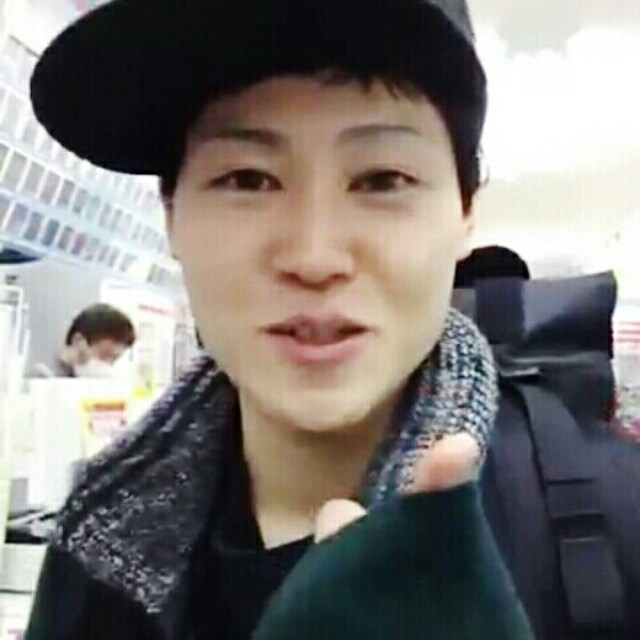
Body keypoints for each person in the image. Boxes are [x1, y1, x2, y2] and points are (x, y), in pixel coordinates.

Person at [25, 1, 534, 639]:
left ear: (466, 213)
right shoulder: (94, 553)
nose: (314, 257)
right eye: (247, 180)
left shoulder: (603, 529)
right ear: (171, 214)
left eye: (383, 180)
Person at [33, 303, 136, 377]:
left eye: (114, 360)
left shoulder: (82, 380)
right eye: (104, 355)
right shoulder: (43, 377)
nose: (107, 366)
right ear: (78, 341)